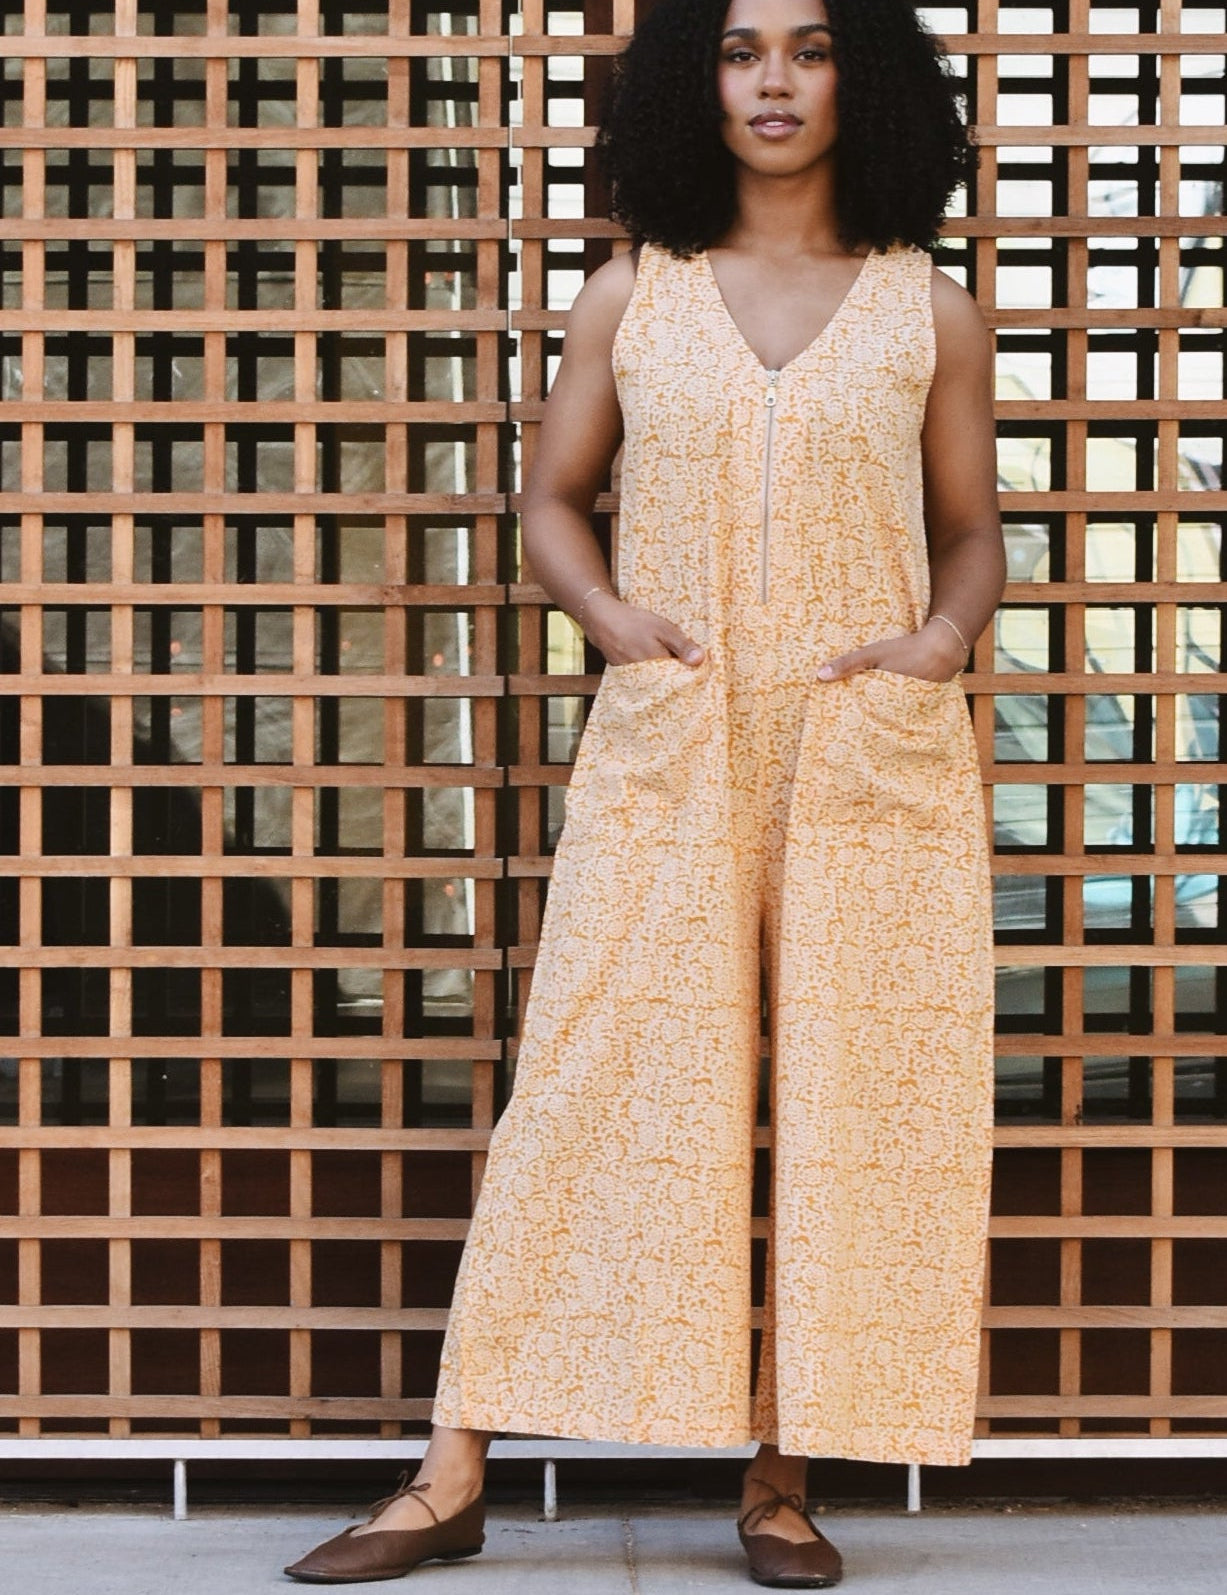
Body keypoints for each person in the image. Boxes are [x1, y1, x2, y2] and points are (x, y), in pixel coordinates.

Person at [285, 0, 1005, 1584]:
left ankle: (783, 1475)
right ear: (696, 82)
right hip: (670, 738)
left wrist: (937, 645)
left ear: (864, 81)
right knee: (590, 1078)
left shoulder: (924, 311)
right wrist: (612, 623)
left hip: (858, 745)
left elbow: (973, 530)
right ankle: (452, 1465)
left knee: (845, 1099)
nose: (773, 80)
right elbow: (550, 496)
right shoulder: (633, 292)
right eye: (743, 50)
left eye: (812, 49)